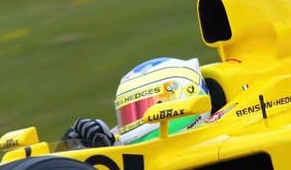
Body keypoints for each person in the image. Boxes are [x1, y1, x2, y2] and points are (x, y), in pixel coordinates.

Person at [62, 57, 211, 147]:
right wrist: (71, 148)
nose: (132, 121)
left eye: (143, 109)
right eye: (128, 113)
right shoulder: (113, 140)